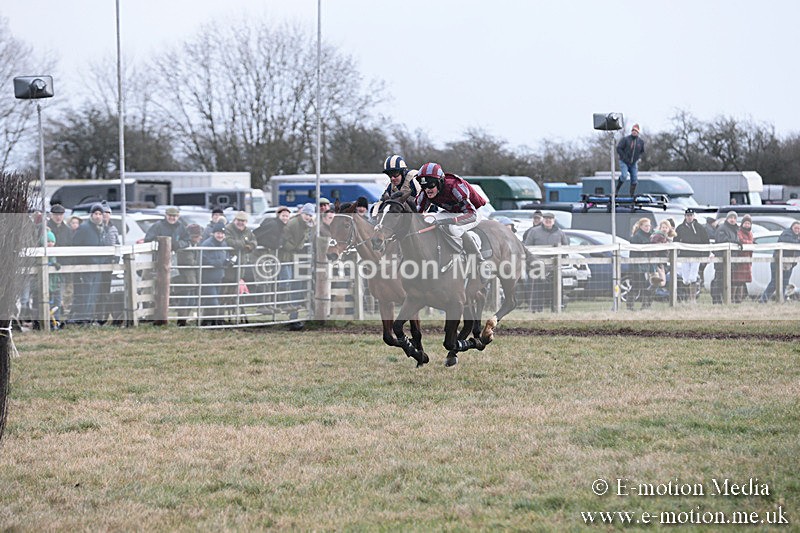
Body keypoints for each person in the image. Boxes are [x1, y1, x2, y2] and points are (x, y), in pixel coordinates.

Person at [414, 162, 486, 278]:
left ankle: (480, 262)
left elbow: (471, 214)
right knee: (428, 220)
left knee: (453, 228)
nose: (427, 189)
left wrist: (450, 221)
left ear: (440, 182)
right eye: (424, 186)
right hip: (452, 212)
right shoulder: (425, 193)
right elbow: (416, 215)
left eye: (431, 185)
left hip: (472, 213)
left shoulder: (455, 187)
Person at [69, 203, 107, 325]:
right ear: (91, 215)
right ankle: (80, 320)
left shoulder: (102, 229)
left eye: (100, 214)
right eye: (95, 213)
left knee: (93, 295)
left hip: (97, 267)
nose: (98, 216)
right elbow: (75, 245)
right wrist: (81, 263)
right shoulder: (84, 228)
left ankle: (88, 319)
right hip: (85, 267)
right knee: (83, 295)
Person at [523, 212, 568, 312]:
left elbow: (565, 249)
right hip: (537, 266)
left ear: (554, 221)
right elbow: (527, 248)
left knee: (556, 288)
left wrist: (562, 261)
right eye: (546, 219)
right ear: (543, 220)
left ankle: (557, 308)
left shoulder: (560, 233)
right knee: (537, 289)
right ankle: (536, 310)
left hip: (554, 267)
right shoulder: (534, 232)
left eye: (550, 219)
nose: (548, 221)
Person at [278, 203, 315, 316]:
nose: (307, 217)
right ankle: (286, 305)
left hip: (295, 256)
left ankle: (293, 311)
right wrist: (294, 246)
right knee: (287, 281)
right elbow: (286, 237)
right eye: (306, 214)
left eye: (310, 215)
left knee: (296, 283)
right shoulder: (294, 223)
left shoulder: (306, 225)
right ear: (301, 213)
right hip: (287, 255)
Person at [674, 208, 710, 303]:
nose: (689, 217)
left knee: (693, 277)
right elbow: (675, 241)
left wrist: (705, 255)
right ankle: (685, 297)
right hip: (684, 255)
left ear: (693, 216)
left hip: (696, 255)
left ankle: (692, 299)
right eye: (687, 216)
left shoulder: (699, 228)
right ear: (685, 216)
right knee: (685, 279)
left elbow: (705, 241)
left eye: (691, 215)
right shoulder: (680, 228)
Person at [759, 220, 800, 303]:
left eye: (799, 229)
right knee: (775, 282)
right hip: (778, 262)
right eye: (795, 228)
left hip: (789, 263)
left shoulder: (797, 237)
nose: (797, 230)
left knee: (785, 282)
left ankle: (782, 299)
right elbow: (790, 242)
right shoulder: (786, 234)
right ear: (791, 228)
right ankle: (763, 299)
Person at [199, 221, 230, 325]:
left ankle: (207, 322)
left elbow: (226, 256)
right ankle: (212, 322)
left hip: (219, 277)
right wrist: (217, 263)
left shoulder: (224, 244)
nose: (220, 236)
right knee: (213, 302)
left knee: (213, 300)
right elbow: (203, 259)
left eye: (222, 233)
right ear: (213, 233)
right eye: (218, 233)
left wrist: (228, 261)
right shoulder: (207, 244)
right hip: (208, 278)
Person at [47, 203, 73, 320]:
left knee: (59, 295)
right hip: (47, 265)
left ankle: (56, 319)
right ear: (51, 215)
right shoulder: (45, 228)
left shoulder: (67, 230)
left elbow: (70, 246)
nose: (58, 217)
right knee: (45, 295)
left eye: (61, 215)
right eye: (56, 214)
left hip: (61, 266)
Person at [175, 223, 204, 326]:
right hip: (185, 277)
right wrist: (199, 262)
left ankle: (184, 320)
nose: (200, 238)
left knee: (190, 301)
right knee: (185, 300)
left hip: (191, 278)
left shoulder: (193, 245)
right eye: (197, 236)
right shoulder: (185, 246)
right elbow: (189, 261)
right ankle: (181, 321)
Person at [96, 204, 120, 324]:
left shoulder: (113, 228)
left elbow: (117, 244)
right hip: (97, 264)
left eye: (107, 213)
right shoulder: (96, 228)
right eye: (103, 212)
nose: (105, 215)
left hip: (108, 265)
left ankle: (104, 316)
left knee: (105, 291)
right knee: (97, 291)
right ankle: (97, 316)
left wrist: (116, 258)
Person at [710, 211, 741, 305]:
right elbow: (723, 240)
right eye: (731, 218)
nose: (732, 220)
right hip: (721, 259)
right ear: (727, 219)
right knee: (719, 280)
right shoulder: (722, 228)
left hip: (731, 259)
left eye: (734, 218)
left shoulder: (735, 229)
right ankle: (716, 300)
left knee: (727, 281)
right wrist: (735, 243)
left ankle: (724, 299)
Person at [628, 217, 654, 310]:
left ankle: (645, 305)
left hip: (647, 265)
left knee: (646, 286)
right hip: (638, 266)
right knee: (636, 286)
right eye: (646, 226)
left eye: (649, 226)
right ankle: (630, 305)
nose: (648, 228)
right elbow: (634, 253)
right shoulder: (636, 237)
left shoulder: (651, 236)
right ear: (641, 226)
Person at [615, 123, 645, 197]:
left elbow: (642, 151)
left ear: (638, 132)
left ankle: (632, 195)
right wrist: (623, 157)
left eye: (636, 131)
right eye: (633, 130)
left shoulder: (640, 142)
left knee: (634, 179)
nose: (634, 132)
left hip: (633, 163)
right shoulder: (626, 139)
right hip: (624, 161)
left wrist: (638, 158)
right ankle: (616, 190)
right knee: (624, 176)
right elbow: (619, 148)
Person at [732, 214, 754, 303]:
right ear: (742, 224)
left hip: (747, 259)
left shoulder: (750, 233)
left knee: (742, 281)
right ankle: (732, 298)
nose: (747, 225)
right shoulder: (739, 232)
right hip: (739, 259)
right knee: (736, 281)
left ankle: (739, 299)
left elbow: (751, 243)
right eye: (745, 223)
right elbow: (741, 241)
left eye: (749, 223)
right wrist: (750, 243)